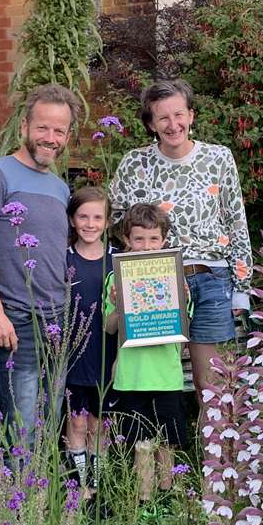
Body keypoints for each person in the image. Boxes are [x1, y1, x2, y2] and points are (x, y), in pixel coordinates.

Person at [109, 79, 252, 403]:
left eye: (179, 115)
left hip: (211, 278)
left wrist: (242, 287)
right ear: (151, 124)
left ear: (191, 115)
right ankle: (160, 448)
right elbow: (114, 221)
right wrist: (129, 269)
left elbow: (235, 219)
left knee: (211, 384)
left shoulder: (218, 158)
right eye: (163, 118)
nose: (173, 125)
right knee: (156, 383)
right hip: (155, 281)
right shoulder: (135, 164)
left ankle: (213, 453)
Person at [0, 84, 78, 439]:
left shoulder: (60, 188)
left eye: (59, 130)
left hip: (57, 317)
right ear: (24, 127)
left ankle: (44, 496)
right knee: (23, 428)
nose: (50, 137)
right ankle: (17, 495)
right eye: (43, 127)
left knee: (50, 422)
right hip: (17, 319)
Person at [103, 203, 189, 501]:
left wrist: (181, 299)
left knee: (168, 443)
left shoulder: (175, 276)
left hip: (167, 376)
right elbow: (110, 328)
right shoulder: (116, 278)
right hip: (132, 377)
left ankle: (167, 497)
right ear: (126, 239)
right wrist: (117, 305)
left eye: (154, 239)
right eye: (139, 239)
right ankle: (144, 501)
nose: (146, 245)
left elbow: (183, 325)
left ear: (164, 240)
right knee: (141, 443)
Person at [63, 185, 113, 482]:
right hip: (73, 357)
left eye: (97, 218)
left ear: (107, 222)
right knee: (77, 422)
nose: (90, 224)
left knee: (101, 425)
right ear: (72, 219)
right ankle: (81, 488)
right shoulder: (62, 259)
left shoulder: (119, 259)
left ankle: (100, 483)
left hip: (108, 355)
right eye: (83, 217)